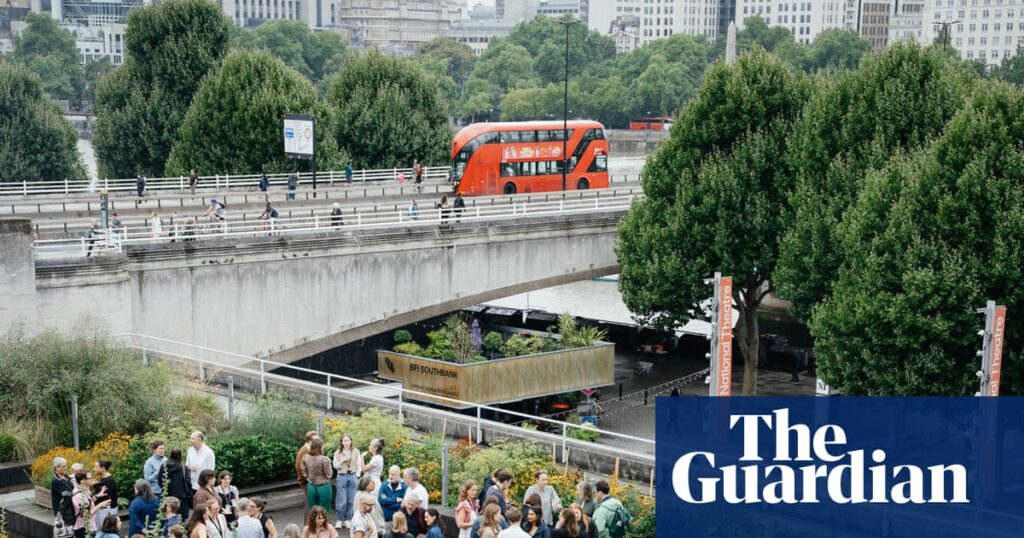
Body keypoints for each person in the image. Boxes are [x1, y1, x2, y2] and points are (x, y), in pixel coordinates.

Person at [333, 434, 363, 528]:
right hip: (342, 476)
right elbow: (335, 466)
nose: (346, 442)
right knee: (342, 500)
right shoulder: (337, 452)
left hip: (352, 475)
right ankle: (340, 519)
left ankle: (348, 519)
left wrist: (357, 476)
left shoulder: (356, 451)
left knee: (351, 500)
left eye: (348, 440)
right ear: (342, 442)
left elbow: (359, 465)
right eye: (344, 441)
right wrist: (342, 460)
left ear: (351, 441)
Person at [302, 437, 334, 515]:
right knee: (324, 510)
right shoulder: (324, 459)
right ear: (320, 447)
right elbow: (329, 475)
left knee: (313, 510)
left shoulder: (306, 457)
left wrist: (309, 476)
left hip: (311, 486)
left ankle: (314, 522)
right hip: (323, 486)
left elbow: (304, 471)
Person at [72, 471, 107, 538]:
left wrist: (97, 496)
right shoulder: (79, 495)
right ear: (83, 481)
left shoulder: (82, 490)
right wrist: (100, 505)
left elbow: (88, 502)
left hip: (87, 526)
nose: (92, 479)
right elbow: (87, 514)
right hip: (84, 528)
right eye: (90, 478)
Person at [162, 448, 193, 519]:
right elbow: (188, 482)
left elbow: (160, 480)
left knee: (169, 516)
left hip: (168, 496)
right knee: (181, 518)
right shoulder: (183, 467)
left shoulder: (164, 466)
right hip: (182, 497)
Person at [91, 459, 117, 527]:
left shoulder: (109, 480)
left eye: (96, 467)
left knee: (106, 529)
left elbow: (104, 495)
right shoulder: (103, 478)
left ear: (103, 468)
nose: (94, 469)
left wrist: (95, 486)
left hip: (108, 509)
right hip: (103, 509)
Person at [295, 431, 318, 498]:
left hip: (312, 481)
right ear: (309, 441)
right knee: (314, 502)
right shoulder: (304, 451)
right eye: (315, 440)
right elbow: (299, 468)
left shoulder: (311, 449)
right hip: (307, 483)